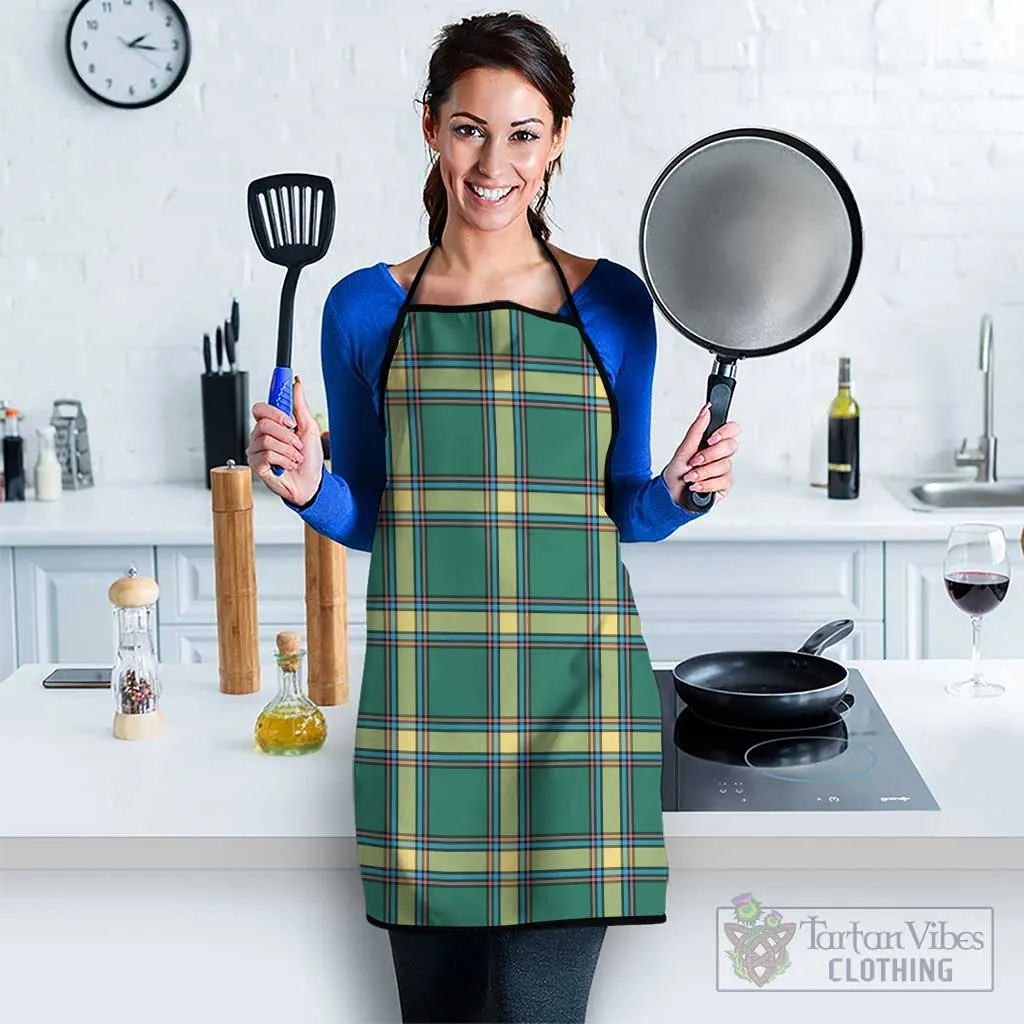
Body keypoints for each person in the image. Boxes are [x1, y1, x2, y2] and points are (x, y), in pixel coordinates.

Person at [247, 11, 740, 1022]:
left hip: (580, 709)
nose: (494, 161)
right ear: (430, 128)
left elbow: (620, 511)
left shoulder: (612, 303)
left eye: (522, 132)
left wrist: (680, 492)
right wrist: (306, 487)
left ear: (556, 139)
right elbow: (375, 511)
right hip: (428, 713)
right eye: (470, 128)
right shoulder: (363, 307)